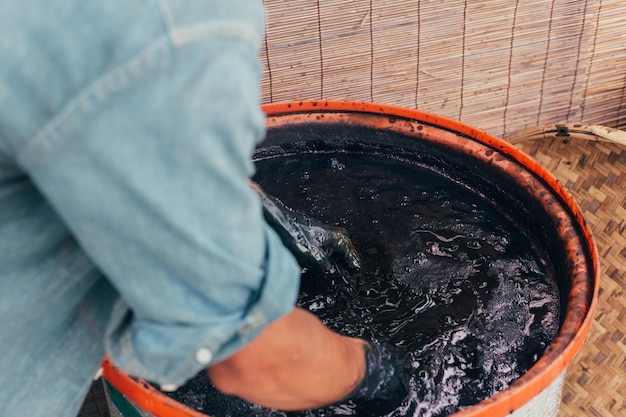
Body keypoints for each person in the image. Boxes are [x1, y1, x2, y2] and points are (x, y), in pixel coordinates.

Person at [0, 1, 406, 416]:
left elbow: (125, 147)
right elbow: (262, 361)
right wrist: (379, 373)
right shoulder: (168, 26)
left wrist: (268, 214)